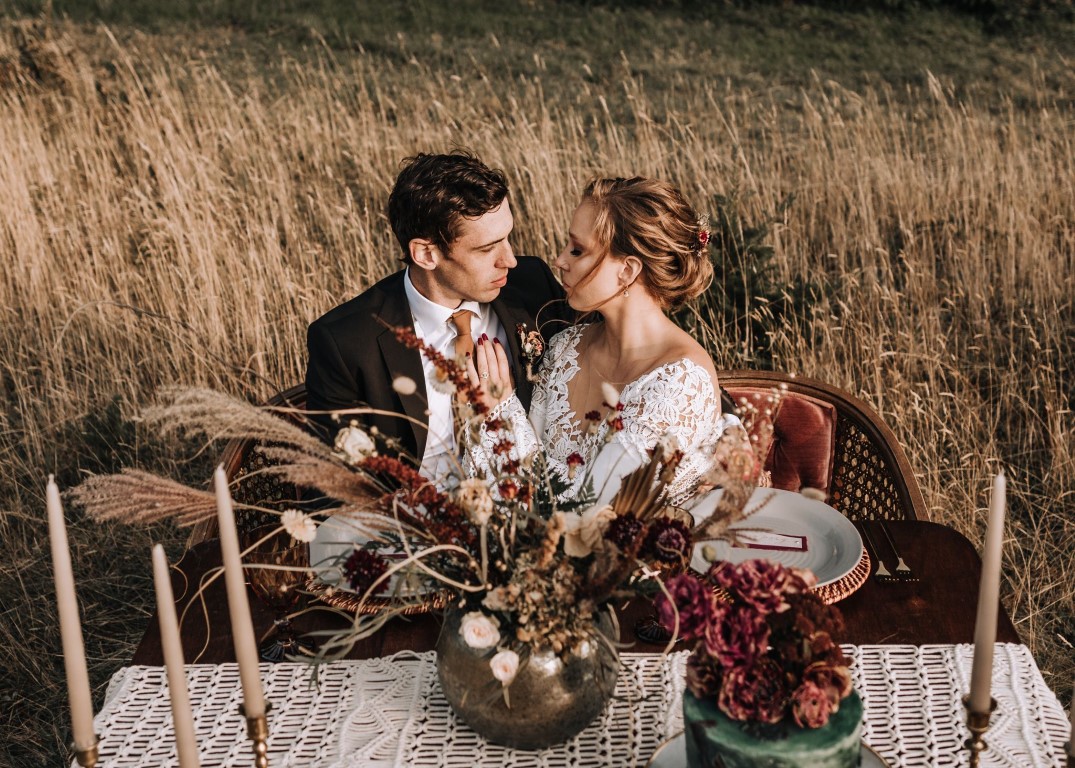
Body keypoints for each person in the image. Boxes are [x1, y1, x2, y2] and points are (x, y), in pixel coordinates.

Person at [468, 176, 742, 504]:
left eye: (577, 249)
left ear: (627, 270)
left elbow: (592, 508)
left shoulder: (680, 382)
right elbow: (530, 463)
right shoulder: (564, 348)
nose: (560, 260)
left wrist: (499, 416)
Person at [305, 151, 569, 482]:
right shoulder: (345, 341)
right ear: (426, 254)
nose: (510, 260)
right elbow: (332, 483)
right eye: (487, 249)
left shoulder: (532, 286)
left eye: (508, 237)